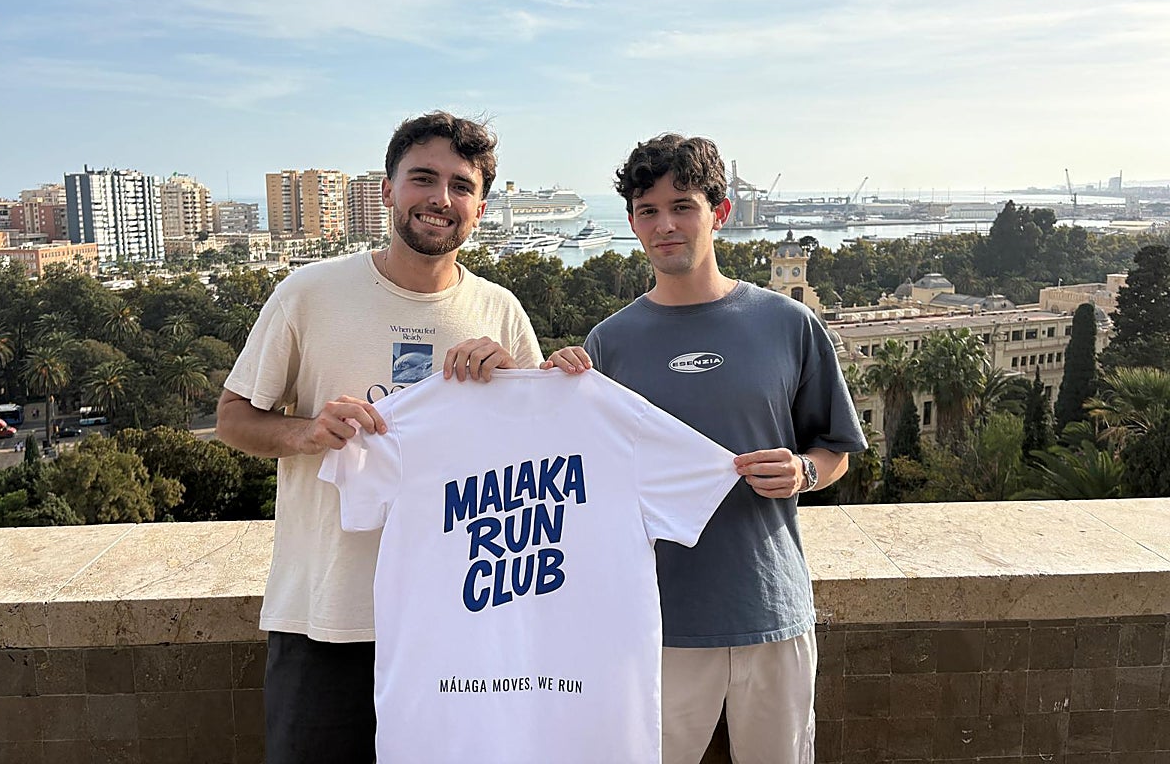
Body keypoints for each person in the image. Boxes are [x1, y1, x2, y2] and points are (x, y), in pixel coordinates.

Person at [216, 111, 542, 764]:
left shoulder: (499, 312)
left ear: (480, 209)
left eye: (461, 186)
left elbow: (539, 462)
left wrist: (517, 388)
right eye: (423, 178)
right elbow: (232, 419)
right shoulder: (308, 293)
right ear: (388, 189)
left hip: (458, 620)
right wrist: (309, 432)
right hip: (324, 616)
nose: (440, 198)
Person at [544, 133, 866, 764]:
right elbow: (575, 478)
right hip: (654, 620)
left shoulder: (790, 324)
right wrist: (552, 390)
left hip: (772, 608)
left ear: (719, 212)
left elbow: (836, 452)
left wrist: (803, 471)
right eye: (648, 211)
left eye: (682, 206)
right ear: (632, 223)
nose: (665, 225)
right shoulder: (608, 344)